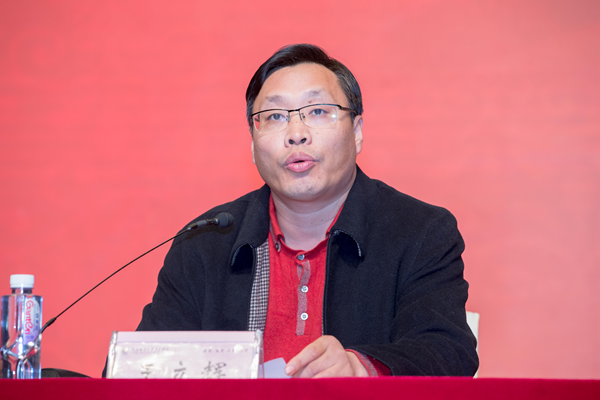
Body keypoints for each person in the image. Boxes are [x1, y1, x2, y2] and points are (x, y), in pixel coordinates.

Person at [136, 44, 479, 377]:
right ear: (253, 145)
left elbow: (447, 352)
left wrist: (360, 368)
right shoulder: (205, 241)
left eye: (318, 111)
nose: (296, 134)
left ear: (357, 132)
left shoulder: (419, 232)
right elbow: (143, 367)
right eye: (274, 116)